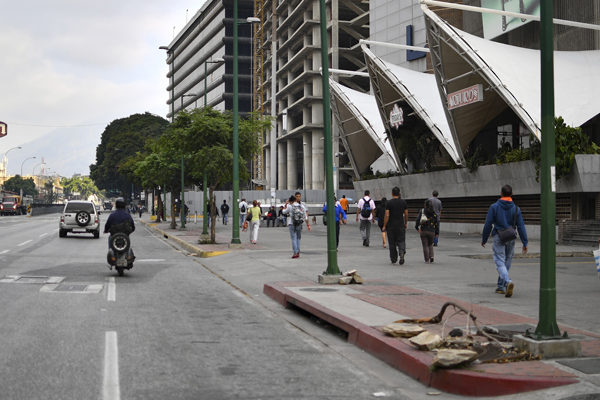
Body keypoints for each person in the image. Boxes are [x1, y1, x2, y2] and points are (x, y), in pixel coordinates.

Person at [481, 184, 528, 298]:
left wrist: (484, 239)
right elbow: (521, 226)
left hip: (498, 236)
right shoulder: (516, 208)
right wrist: (524, 242)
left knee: (499, 260)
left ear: (501, 193)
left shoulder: (494, 207)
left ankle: (507, 281)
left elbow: (488, 224)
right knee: (507, 260)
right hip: (511, 237)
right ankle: (501, 286)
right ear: (511, 194)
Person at [382, 187, 408, 265]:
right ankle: (401, 253)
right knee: (401, 240)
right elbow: (406, 214)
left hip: (391, 226)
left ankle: (393, 258)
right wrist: (406, 222)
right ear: (399, 193)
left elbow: (387, 215)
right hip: (400, 225)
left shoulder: (389, 203)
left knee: (392, 242)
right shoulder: (403, 202)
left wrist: (384, 225)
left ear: (392, 193)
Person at [282, 192, 311, 258]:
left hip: (291, 223)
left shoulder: (290, 206)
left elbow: (283, 212)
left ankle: (295, 252)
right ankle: (298, 251)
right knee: (298, 238)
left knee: (293, 238)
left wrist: (286, 204)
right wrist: (307, 223)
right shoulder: (301, 206)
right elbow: (305, 216)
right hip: (299, 223)